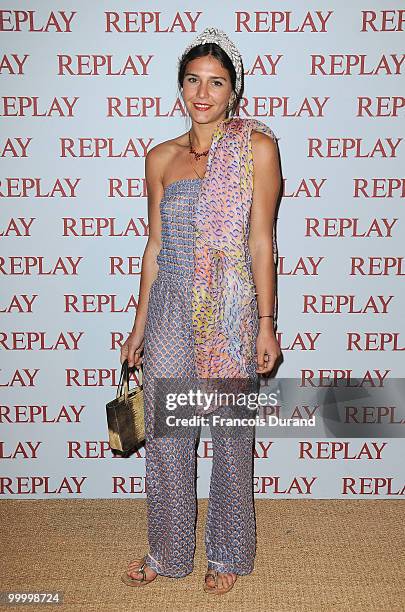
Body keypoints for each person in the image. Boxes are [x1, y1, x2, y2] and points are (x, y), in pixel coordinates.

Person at [119, 26, 281, 595]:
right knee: (166, 433)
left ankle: (230, 550)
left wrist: (266, 323)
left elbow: (261, 240)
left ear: (234, 91)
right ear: (180, 87)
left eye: (216, 82)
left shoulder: (256, 147)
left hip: (232, 306)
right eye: (193, 80)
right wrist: (139, 323)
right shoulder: (160, 156)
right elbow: (156, 246)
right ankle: (168, 551)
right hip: (170, 306)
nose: (203, 93)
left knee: (231, 433)